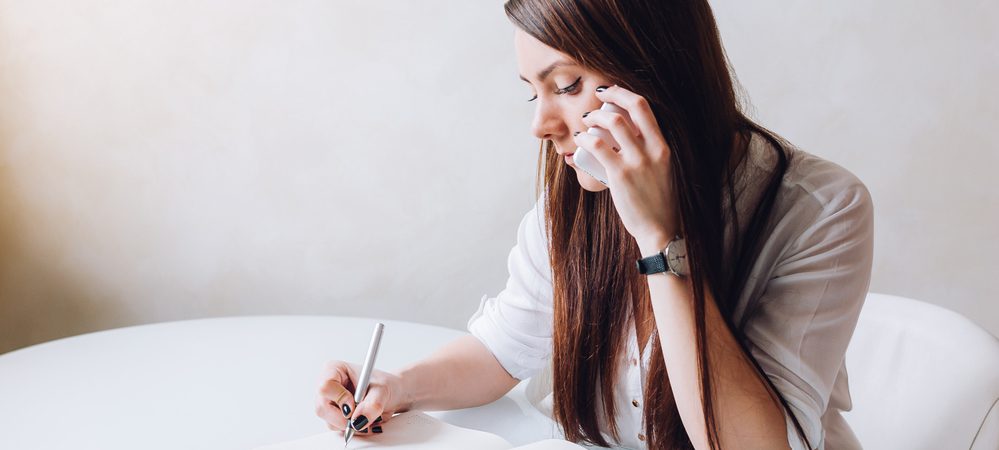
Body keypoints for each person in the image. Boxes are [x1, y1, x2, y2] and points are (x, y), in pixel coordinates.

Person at [315, 1, 873, 449]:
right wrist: (397, 387)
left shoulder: (821, 210)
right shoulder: (575, 201)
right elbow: (505, 349)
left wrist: (661, 241)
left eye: (565, 85)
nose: (539, 123)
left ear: (656, 68)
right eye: (531, 92)